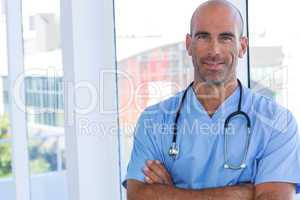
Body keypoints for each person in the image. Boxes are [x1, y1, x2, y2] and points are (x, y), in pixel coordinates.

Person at [123, 0, 300, 199]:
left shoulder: (278, 122)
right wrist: (240, 193)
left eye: (225, 38)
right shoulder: (153, 120)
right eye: (203, 37)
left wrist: (170, 193)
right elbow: (138, 195)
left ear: (242, 47)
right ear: (189, 45)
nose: (214, 50)